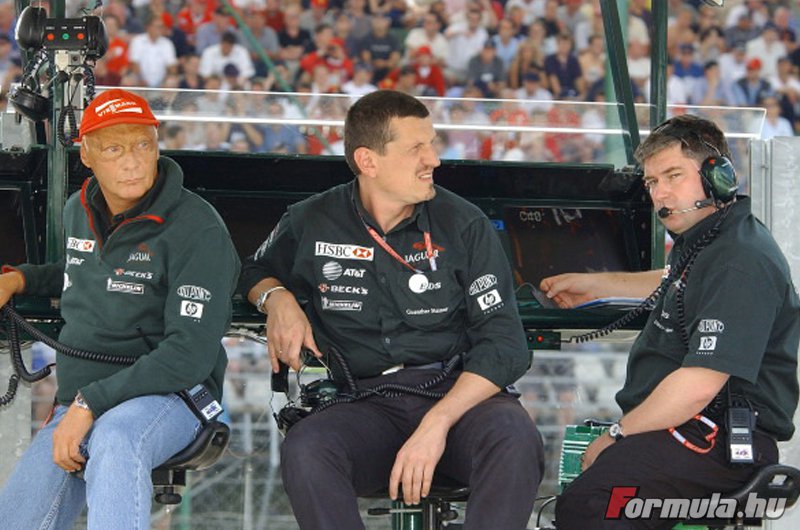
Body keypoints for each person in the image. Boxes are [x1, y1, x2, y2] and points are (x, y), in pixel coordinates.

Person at [240, 89, 543, 530]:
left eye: (432, 144)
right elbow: (252, 270)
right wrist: (277, 299)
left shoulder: (465, 224)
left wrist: (437, 423)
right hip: (363, 403)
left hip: (457, 399)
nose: (433, 159)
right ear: (368, 161)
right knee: (306, 448)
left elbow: (505, 346)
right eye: (416, 148)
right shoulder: (311, 219)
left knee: (515, 437)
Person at [542, 114, 800, 529]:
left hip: (715, 437)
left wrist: (616, 435)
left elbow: (697, 387)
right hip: (689, 429)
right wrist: (596, 285)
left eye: (673, 176)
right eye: (651, 182)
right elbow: (676, 281)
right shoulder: (708, 241)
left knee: (593, 503)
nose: (660, 194)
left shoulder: (738, 261)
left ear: (718, 176)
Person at [0, 89, 240, 529]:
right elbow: (82, 270)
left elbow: (188, 355)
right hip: (83, 401)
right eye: (114, 149)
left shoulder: (199, 227)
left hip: (172, 397)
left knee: (116, 436)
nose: (132, 162)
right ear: (87, 155)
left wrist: (90, 404)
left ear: (157, 147)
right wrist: (19, 278)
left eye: (142, 145)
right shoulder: (77, 209)